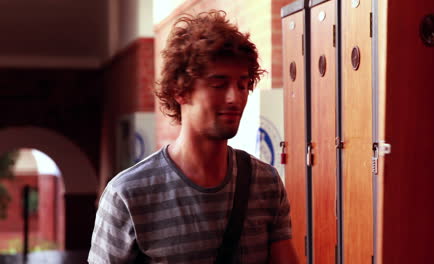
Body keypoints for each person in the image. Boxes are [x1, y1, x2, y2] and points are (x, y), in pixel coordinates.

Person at [88, 10, 298, 264]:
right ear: (180, 91)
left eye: (242, 84)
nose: (235, 98)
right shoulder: (128, 195)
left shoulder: (266, 183)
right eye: (218, 84)